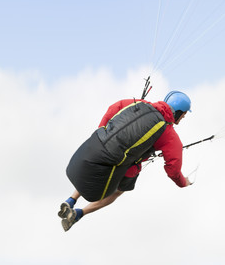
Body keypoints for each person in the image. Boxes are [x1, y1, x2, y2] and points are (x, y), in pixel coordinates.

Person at [58, 90, 193, 231]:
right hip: (126, 166)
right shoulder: (169, 135)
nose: (182, 118)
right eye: (183, 115)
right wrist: (184, 182)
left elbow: (113, 108)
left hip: (100, 145)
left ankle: (71, 200)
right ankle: (79, 213)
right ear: (178, 112)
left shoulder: (141, 104)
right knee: (118, 190)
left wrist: (104, 133)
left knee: (96, 164)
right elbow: (174, 170)